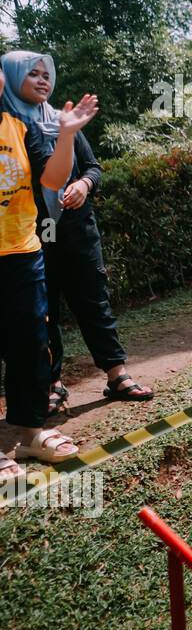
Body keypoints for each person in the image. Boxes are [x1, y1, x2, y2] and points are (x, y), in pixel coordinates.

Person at [0, 51, 152, 415]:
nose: (42, 80)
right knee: (43, 311)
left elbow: (93, 167)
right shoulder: (12, 125)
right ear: (10, 76)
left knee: (93, 299)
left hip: (75, 228)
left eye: (46, 74)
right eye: (32, 74)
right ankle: (52, 385)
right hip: (33, 233)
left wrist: (84, 184)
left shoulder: (58, 120)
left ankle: (116, 374)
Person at [0, 69, 99, 480]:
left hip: (23, 252)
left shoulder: (18, 128)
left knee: (31, 344)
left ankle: (31, 433)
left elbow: (53, 180)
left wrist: (66, 135)